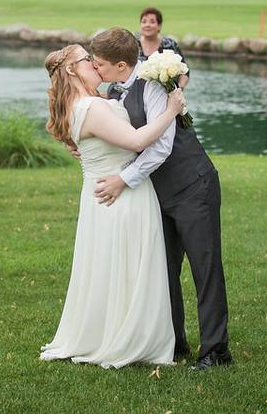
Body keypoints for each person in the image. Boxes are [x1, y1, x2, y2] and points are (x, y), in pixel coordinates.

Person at [91, 27, 232, 370]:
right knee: (162, 270)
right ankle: (174, 341)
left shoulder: (153, 85)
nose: (96, 70)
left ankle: (216, 350)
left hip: (192, 186)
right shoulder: (114, 89)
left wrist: (123, 180)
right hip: (157, 194)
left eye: (99, 64)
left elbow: (161, 147)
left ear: (122, 65)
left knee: (205, 268)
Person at [39, 44, 185, 368]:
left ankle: (112, 328)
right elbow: (135, 141)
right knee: (126, 262)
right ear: (72, 70)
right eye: (86, 60)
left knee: (109, 265)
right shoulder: (91, 106)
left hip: (101, 192)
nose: (94, 64)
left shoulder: (83, 104)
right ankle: (128, 336)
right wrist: (171, 111)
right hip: (121, 195)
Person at [137, 7, 189, 89]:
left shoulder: (169, 44)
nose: (147, 25)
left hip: (165, 92)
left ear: (159, 26)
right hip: (137, 93)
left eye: (152, 22)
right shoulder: (134, 45)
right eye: (144, 22)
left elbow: (185, 71)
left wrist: (179, 88)